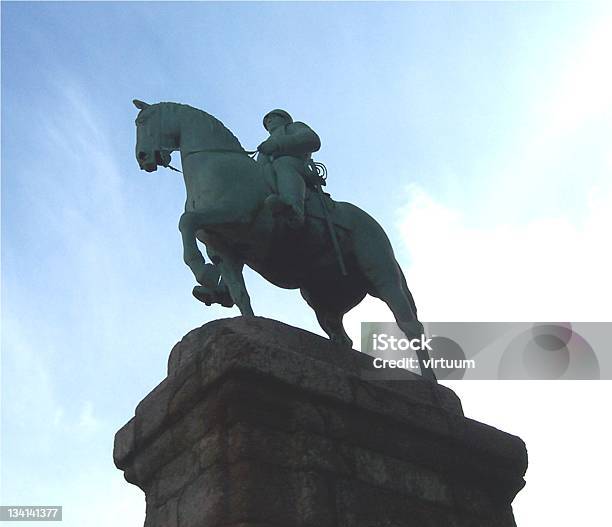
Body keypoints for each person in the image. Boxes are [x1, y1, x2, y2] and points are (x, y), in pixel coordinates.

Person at [257, 109, 321, 228]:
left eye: (273, 117)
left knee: (283, 163)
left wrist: (278, 144)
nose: (269, 121)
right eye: (266, 121)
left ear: (284, 118)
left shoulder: (294, 127)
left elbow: (312, 140)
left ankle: (294, 211)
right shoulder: (266, 142)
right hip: (269, 173)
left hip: (295, 166)